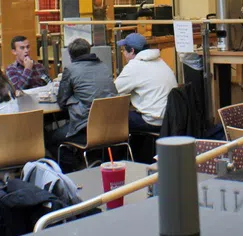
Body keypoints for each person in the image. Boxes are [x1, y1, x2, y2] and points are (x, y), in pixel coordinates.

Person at [49, 39, 116, 168]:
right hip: (112, 127)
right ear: (89, 50)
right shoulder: (104, 66)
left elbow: (62, 101)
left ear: (71, 55)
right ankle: (88, 161)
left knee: (51, 139)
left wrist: (72, 99)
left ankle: (76, 168)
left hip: (86, 129)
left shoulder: (70, 69)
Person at [114, 33, 175, 133]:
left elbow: (114, 91)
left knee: (114, 117)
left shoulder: (134, 66)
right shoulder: (160, 60)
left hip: (154, 121)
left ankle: (126, 148)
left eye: (124, 50)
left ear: (132, 51)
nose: (124, 53)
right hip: (170, 118)